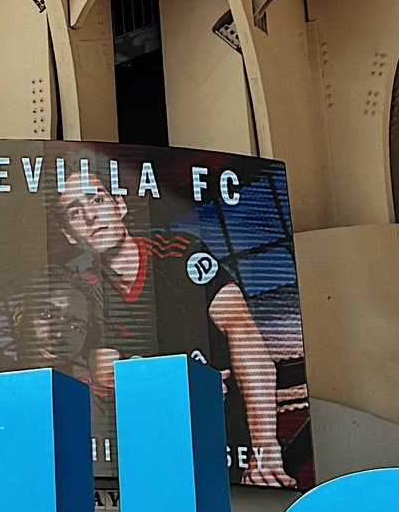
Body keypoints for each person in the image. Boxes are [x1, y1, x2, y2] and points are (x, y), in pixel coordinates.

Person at [54, 180, 302, 486]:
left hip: (230, 428)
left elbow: (241, 328)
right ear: (69, 234)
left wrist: (265, 449)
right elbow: (105, 372)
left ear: (120, 206)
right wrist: (187, 380)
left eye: (97, 201)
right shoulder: (85, 286)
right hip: (159, 439)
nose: (91, 217)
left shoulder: (178, 252)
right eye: (75, 212)